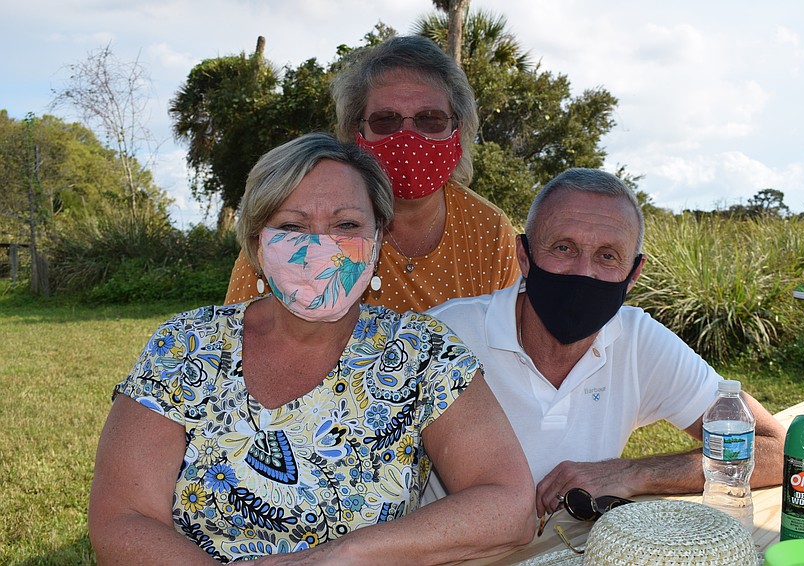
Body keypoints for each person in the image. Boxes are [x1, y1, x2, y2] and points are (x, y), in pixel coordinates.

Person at [88, 133, 535, 564]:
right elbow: (123, 518)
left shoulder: (421, 354)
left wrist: (339, 557)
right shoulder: (186, 345)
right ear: (257, 242)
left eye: (346, 225)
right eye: (292, 226)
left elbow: (509, 506)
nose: (320, 248)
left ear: (378, 237)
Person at [421, 168, 786, 518]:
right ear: (524, 256)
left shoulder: (638, 340)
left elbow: (775, 449)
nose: (584, 272)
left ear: (633, 274)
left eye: (607, 256)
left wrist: (631, 473)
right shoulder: (443, 335)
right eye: (563, 248)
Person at [225, 35, 520, 313]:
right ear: (357, 132)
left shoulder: (489, 230)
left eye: (430, 119)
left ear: (459, 130)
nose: (408, 137)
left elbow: (507, 347)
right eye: (386, 120)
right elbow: (243, 336)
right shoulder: (294, 221)